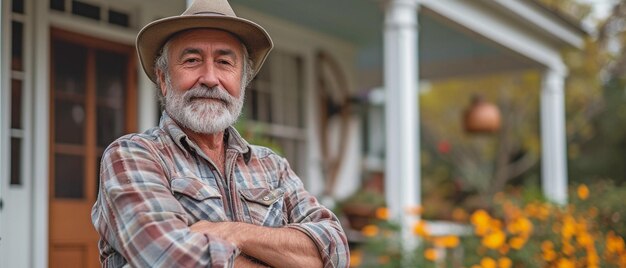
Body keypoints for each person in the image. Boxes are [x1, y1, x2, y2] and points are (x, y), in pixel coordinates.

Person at [90, 0, 350, 267]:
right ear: (164, 79)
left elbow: (335, 251)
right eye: (192, 60)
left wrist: (232, 232)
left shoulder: (273, 166)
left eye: (225, 62)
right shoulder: (133, 156)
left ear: (242, 81)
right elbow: (172, 258)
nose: (210, 78)